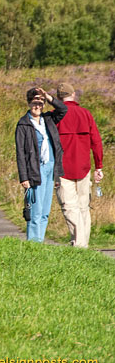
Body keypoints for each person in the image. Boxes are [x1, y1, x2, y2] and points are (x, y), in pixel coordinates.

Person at [15, 87, 67, 243]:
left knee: (45, 211)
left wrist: (48, 97)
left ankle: (40, 243)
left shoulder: (48, 119)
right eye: (35, 102)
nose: (38, 106)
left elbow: (63, 109)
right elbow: (21, 154)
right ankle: (33, 244)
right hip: (35, 170)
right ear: (29, 103)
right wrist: (24, 177)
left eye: (41, 102)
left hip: (50, 168)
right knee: (35, 211)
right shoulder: (23, 124)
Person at [55, 82, 103, 248]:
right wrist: (99, 166)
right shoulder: (85, 114)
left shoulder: (55, 116)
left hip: (62, 169)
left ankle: (79, 245)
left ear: (57, 98)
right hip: (84, 168)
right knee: (83, 207)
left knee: (69, 207)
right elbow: (96, 141)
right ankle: (83, 244)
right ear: (73, 94)